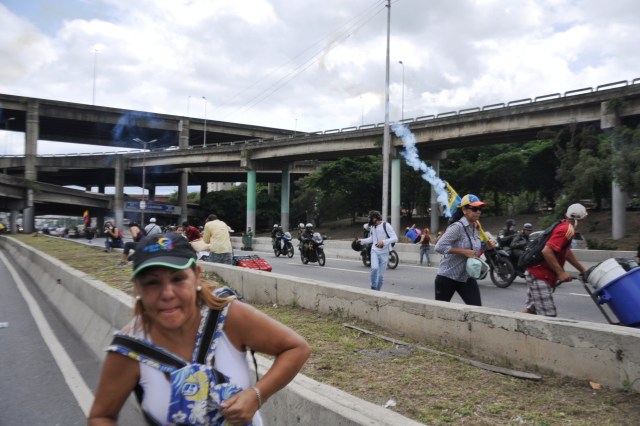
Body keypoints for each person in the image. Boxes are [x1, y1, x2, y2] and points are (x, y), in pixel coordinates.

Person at [88, 233, 311, 425]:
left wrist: (256, 395)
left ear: (196, 275)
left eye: (178, 279)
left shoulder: (228, 317)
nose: (167, 294)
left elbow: (297, 348)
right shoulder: (130, 348)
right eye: (152, 282)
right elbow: (101, 416)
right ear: (137, 287)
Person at [522, 204, 589, 316]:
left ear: (565, 215)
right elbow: (547, 251)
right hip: (540, 275)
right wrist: (561, 273)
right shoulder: (567, 230)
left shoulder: (563, 225)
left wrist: (583, 270)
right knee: (549, 316)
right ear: (582, 219)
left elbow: (566, 252)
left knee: (530, 311)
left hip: (537, 273)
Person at [434, 194, 495, 306]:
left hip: (466, 277)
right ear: (464, 210)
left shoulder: (475, 227)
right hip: (447, 276)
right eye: (474, 208)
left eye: (480, 209)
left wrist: (487, 246)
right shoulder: (457, 227)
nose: (478, 212)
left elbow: (474, 250)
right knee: (441, 313)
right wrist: (463, 251)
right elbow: (439, 247)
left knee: (477, 310)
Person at [357, 210, 398, 291]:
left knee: (381, 277)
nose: (369, 220)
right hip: (374, 250)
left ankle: (377, 292)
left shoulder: (386, 225)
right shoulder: (372, 227)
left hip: (384, 253)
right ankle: (373, 286)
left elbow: (395, 238)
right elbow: (372, 239)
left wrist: (384, 242)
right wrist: (361, 240)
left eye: (371, 218)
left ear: (376, 218)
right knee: (374, 268)